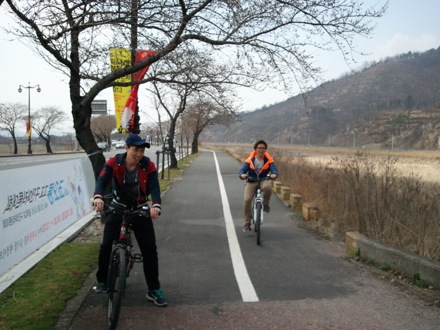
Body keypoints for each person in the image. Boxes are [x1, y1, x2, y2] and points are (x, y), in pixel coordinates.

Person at [92, 134, 167, 307]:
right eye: (136, 150)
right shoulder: (113, 162)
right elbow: (102, 180)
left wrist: (156, 205)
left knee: (150, 250)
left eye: (142, 150)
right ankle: (102, 280)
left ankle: (154, 289)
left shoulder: (148, 165)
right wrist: (98, 196)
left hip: (140, 208)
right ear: (127, 148)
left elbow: (154, 187)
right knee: (106, 245)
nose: (139, 154)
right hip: (118, 207)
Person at [239, 140, 279, 232]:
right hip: (251, 181)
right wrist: (242, 175)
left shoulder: (269, 160)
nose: (261, 150)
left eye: (263, 148)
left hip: (263, 180)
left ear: (265, 150)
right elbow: (242, 169)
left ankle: (265, 204)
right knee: (247, 200)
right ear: (255, 149)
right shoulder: (250, 160)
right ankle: (247, 222)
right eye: (259, 148)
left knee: (268, 187)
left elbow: (274, 169)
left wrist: (274, 174)